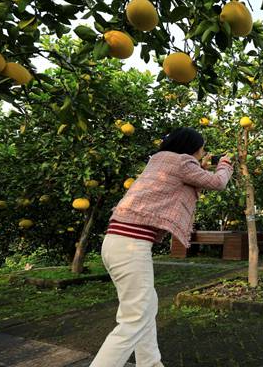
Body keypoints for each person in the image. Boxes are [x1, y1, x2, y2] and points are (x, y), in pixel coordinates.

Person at [91, 127, 233, 367]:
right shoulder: (182, 163)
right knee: (134, 318)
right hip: (130, 246)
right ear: (192, 147)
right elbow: (218, 183)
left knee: (145, 308)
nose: (203, 152)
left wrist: (201, 166)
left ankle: (151, 363)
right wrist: (225, 165)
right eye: (202, 147)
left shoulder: (159, 160)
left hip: (116, 242)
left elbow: (185, 180)